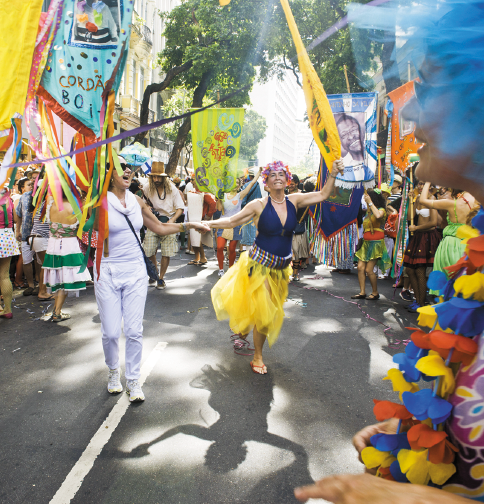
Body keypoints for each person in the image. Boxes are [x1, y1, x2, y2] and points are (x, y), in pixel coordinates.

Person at [295, 2, 484, 501]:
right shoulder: (474, 260)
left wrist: (406, 497)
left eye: (429, 87)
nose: (411, 111)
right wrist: (427, 443)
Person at [210, 159, 345, 374]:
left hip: (282, 268)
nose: (278, 177)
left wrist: (333, 174)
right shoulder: (258, 205)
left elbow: (323, 195)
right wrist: (206, 224)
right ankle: (257, 356)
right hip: (258, 264)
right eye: (272, 175)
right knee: (264, 312)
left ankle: (244, 330)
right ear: (266, 183)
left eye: (282, 173)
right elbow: (231, 221)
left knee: (264, 309)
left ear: (287, 179)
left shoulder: (295, 200)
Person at [94, 161, 209, 402]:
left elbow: (158, 226)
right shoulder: (100, 202)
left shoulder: (137, 201)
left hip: (136, 270)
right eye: (120, 168)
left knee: (134, 330)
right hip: (108, 271)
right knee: (111, 333)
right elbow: (90, 229)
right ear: (108, 175)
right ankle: (114, 372)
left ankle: (133, 380)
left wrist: (188, 225)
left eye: (129, 169)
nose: (127, 171)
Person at [42, 192, 92, 321]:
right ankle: (57, 312)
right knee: (65, 280)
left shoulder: (51, 204)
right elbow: (84, 227)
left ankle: (55, 310)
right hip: (69, 247)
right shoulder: (74, 208)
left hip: (53, 246)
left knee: (58, 279)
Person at [419, 184, 475, 296]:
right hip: (471, 246)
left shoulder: (452, 203)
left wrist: (428, 181)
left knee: (446, 284)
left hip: (450, 245)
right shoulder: (478, 203)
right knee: (467, 285)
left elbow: (423, 200)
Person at [140, 161, 185, 290]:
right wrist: (148, 208)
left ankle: (160, 278)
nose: (156, 179)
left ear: (164, 177)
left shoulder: (172, 189)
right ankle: (154, 272)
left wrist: (172, 220)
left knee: (166, 252)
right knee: (148, 250)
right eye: (154, 176)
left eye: (159, 177)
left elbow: (180, 208)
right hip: (153, 222)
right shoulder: (147, 188)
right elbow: (143, 204)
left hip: (168, 221)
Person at [215, 168, 262, 277]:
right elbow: (219, 209)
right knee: (220, 247)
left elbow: (252, 183)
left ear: (240, 185)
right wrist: (218, 199)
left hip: (235, 225)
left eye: (238, 183)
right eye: (233, 182)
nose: (235, 184)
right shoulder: (223, 195)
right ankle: (221, 269)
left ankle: (231, 269)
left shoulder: (240, 195)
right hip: (223, 223)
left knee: (232, 249)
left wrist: (258, 173)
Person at [402, 181, 441, 311]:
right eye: (419, 183)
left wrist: (417, 227)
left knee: (419, 271)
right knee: (410, 270)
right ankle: (418, 301)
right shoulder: (418, 198)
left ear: (430, 186)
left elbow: (434, 222)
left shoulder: (432, 199)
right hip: (418, 236)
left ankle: (421, 303)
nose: (420, 186)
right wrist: (410, 201)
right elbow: (410, 217)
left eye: (424, 184)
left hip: (428, 237)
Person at [352, 189, 391, 300]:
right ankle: (362, 292)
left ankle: (375, 292)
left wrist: (370, 203)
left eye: (367, 197)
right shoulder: (368, 213)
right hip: (366, 243)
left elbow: (378, 216)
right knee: (360, 268)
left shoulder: (381, 210)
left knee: (369, 270)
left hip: (376, 243)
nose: (365, 199)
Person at [0, 188, 20, 318]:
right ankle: (7, 309)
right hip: (7, 236)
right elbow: (16, 219)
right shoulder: (8, 197)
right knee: (4, 275)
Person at [240, 167, 262, 249]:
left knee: (249, 240)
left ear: (251, 176)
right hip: (261, 215)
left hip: (249, 215)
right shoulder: (265, 187)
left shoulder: (246, 185)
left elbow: (242, 202)